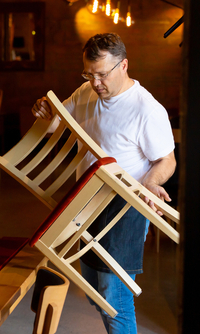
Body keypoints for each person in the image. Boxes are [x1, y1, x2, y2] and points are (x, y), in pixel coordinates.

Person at [31, 33, 176, 334]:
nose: (95, 83)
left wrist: (150, 184)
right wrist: (45, 112)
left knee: (115, 298)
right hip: (85, 200)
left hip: (126, 204)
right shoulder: (87, 91)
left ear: (123, 65)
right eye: (89, 74)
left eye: (102, 75)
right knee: (94, 290)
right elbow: (57, 123)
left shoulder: (146, 109)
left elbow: (167, 161)